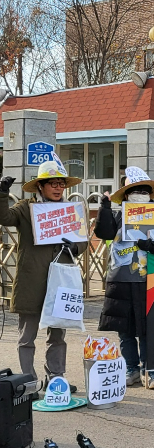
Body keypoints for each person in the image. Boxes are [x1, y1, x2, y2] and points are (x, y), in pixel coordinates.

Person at [0, 161, 87, 397]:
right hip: (31, 281)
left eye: (61, 183)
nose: (58, 188)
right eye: (53, 184)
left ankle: (56, 379)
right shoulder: (26, 207)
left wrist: (75, 246)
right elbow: (5, 217)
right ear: (40, 186)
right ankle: (28, 383)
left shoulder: (70, 210)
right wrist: (2, 193)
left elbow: (83, 241)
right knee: (27, 336)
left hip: (61, 282)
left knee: (58, 334)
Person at [96, 168, 154, 389]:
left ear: (151, 194)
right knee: (125, 329)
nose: (139, 194)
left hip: (149, 279)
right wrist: (104, 207)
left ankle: (151, 371)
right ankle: (131, 370)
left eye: (143, 190)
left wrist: (149, 245)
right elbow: (104, 233)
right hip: (120, 278)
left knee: (148, 329)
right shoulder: (119, 214)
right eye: (134, 190)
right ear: (126, 194)